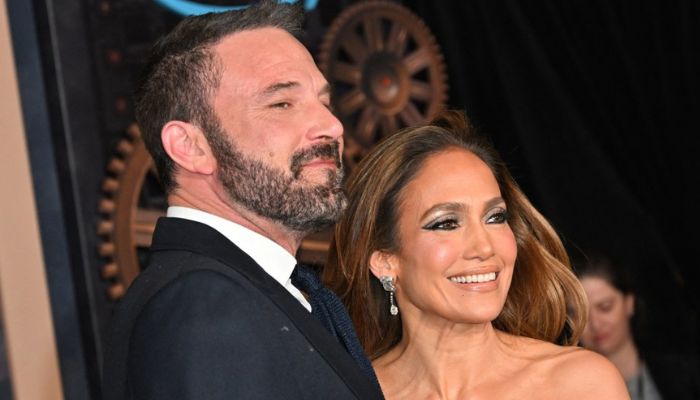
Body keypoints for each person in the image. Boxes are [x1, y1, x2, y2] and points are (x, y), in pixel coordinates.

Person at [101, 1, 383, 399]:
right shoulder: (203, 308)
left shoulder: (252, 290)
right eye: (282, 103)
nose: (332, 125)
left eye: (324, 102)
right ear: (190, 147)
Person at [324, 110, 629, 399]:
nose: (484, 247)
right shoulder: (348, 392)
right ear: (385, 261)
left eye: (495, 217)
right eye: (447, 223)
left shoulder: (580, 384)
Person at [575, 252, 700, 400]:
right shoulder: (571, 393)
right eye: (581, 316)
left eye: (605, 307)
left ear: (629, 303)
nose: (595, 324)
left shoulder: (685, 372)